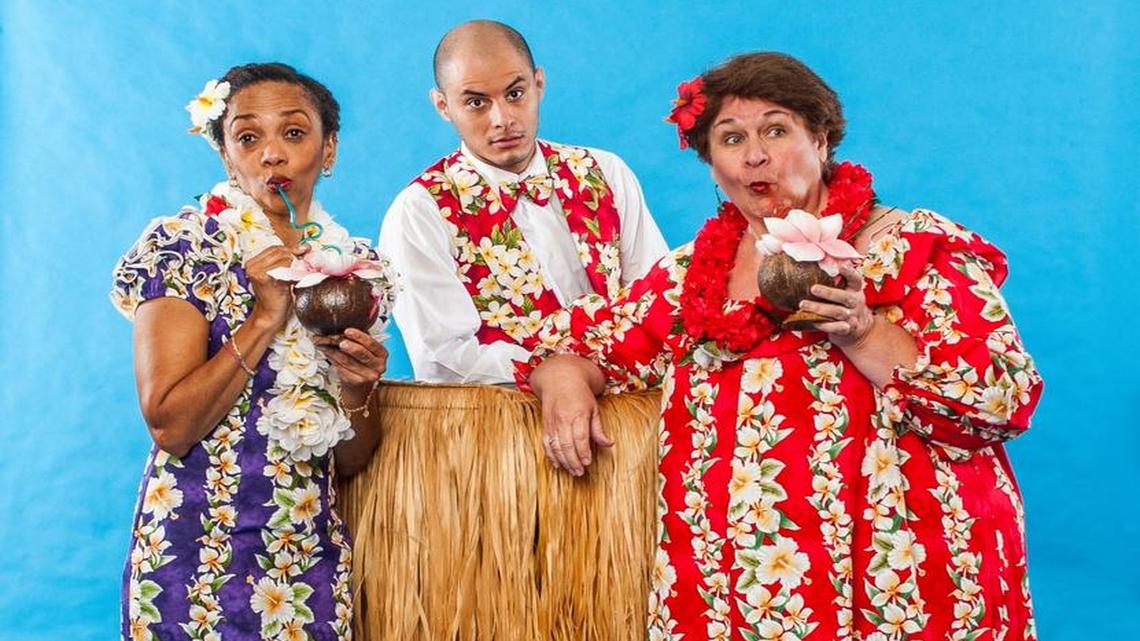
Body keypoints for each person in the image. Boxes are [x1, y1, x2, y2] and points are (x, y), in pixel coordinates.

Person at [521, 52, 1043, 640]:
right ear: (711, 161)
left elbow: (1001, 396)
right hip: (731, 595)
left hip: (901, 579)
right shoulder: (691, 276)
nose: (754, 155)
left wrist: (864, 331)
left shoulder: (915, 246)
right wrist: (563, 377)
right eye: (730, 138)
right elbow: (583, 344)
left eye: (775, 129)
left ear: (821, 139)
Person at [110, 63, 394, 641]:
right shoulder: (184, 247)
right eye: (248, 136)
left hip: (304, 553)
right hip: (194, 548)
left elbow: (352, 460)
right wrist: (266, 317)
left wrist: (360, 388)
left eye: (294, 133)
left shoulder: (351, 270)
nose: (272, 154)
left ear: (329, 148)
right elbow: (170, 423)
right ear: (225, 156)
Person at [378, 19, 668, 383]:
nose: (502, 119)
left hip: (627, 409)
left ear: (539, 83)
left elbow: (658, 299)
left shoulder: (606, 171)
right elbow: (443, 358)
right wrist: (561, 376)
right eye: (476, 103)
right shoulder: (420, 212)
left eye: (515, 94)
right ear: (443, 105)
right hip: (502, 425)